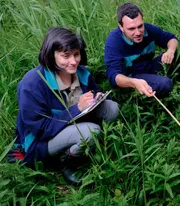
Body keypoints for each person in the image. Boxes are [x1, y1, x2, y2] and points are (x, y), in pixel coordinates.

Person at [12, 27, 119, 185]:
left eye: (76, 54)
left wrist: (97, 97)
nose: (74, 61)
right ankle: (63, 163)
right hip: (40, 140)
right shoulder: (31, 84)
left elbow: (94, 91)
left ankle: (86, 147)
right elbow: (40, 129)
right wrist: (77, 109)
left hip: (72, 123)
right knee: (91, 131)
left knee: (112, 108)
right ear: (51, 54)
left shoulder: (82, 73)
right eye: (65, 56)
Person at [104, 2, 180, 98]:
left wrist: (170, 51)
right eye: (131, 29)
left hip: (149, 67)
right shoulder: (113, 41)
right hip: (131, 77)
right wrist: (134, 83)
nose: (138, 32)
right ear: (121, 27)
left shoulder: (148, 29)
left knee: (178, 53)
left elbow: (171, 39)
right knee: (165, 84)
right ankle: (149, 102)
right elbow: (114, 76)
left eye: (140, 26)